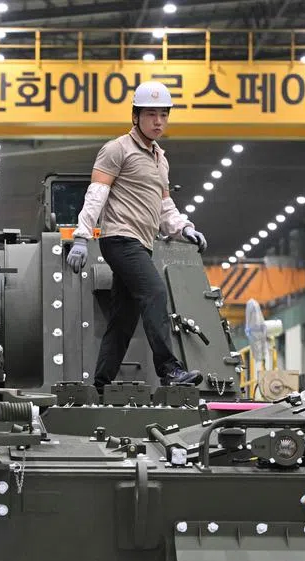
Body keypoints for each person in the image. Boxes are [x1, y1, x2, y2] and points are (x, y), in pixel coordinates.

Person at [66, 80, 207, 390]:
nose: (158, 121)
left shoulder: (160, 159)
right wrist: (81, 236)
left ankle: (101, 383)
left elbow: (164, 206)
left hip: (141, 244)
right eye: (151, 114)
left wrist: (184, 228)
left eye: (164, 115)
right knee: (155, 292)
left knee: (124, 318)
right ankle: (169, 370)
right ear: (136, 116)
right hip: (119, 239)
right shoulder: (116, 150)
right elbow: (97, 194)